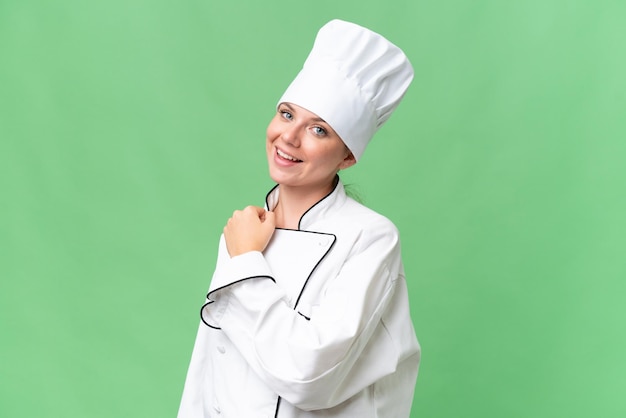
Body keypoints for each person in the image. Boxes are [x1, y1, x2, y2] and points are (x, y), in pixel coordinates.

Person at [178, 19, 420, 417]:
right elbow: (208, 365)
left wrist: (245, 264)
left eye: (319, 130)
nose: (289, 138)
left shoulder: (370, 237)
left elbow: (308, 375)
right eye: (287, 115)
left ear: (348, 155)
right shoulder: (245, 230)